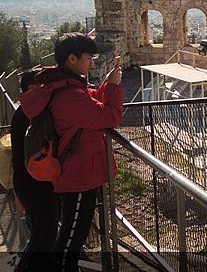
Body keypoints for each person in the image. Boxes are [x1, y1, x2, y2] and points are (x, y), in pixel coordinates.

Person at [20, 33, 123, 272]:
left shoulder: (67, 87)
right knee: (71, 237)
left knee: (72, 231)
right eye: (89, 57)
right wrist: (115, 88)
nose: (92, 63)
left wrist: (108, 84)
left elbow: (91, 105)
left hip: (79, 171)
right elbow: (109, 117)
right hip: (79, 175)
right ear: (73, 59)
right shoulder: (68, 95)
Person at [11, 68, 60, 272]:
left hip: (31, 184)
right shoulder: (29, 116)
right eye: (38, 88)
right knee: (44, 237)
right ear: (29, 91)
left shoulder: (24, 114)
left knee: (41, 235)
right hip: (35, 185)